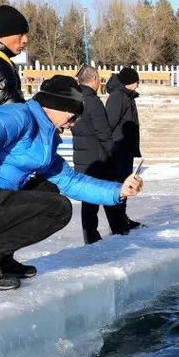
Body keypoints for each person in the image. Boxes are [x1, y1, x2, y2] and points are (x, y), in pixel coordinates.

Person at [0, 76, 143, 290]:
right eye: (73, 116)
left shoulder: (42, 138)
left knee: (50, 188)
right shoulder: (19, 115)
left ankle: (0, 257)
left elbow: (69, 181)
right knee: (57, 209)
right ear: (58, 106)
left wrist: (119, 191)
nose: (72, 125)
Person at [72, 66, 125, 244]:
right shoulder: (93, 101)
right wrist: (111, 154)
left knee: (88, 200)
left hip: (82, 156)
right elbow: (103, 132)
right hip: (98, 157)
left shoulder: (75, 98)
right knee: (108, 193)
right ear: (94, 78)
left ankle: (90, 235)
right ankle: (118, 229)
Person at [105, 67, 144, 231]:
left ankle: (122, 217)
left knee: (125, 182)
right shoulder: (118, 96)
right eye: (136, 81)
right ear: (129, 82)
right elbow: (110, 122)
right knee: (120, 184)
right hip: (119, 147)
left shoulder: (127, 96)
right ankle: (118, 221)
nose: (138, 84)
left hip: (125, 147)